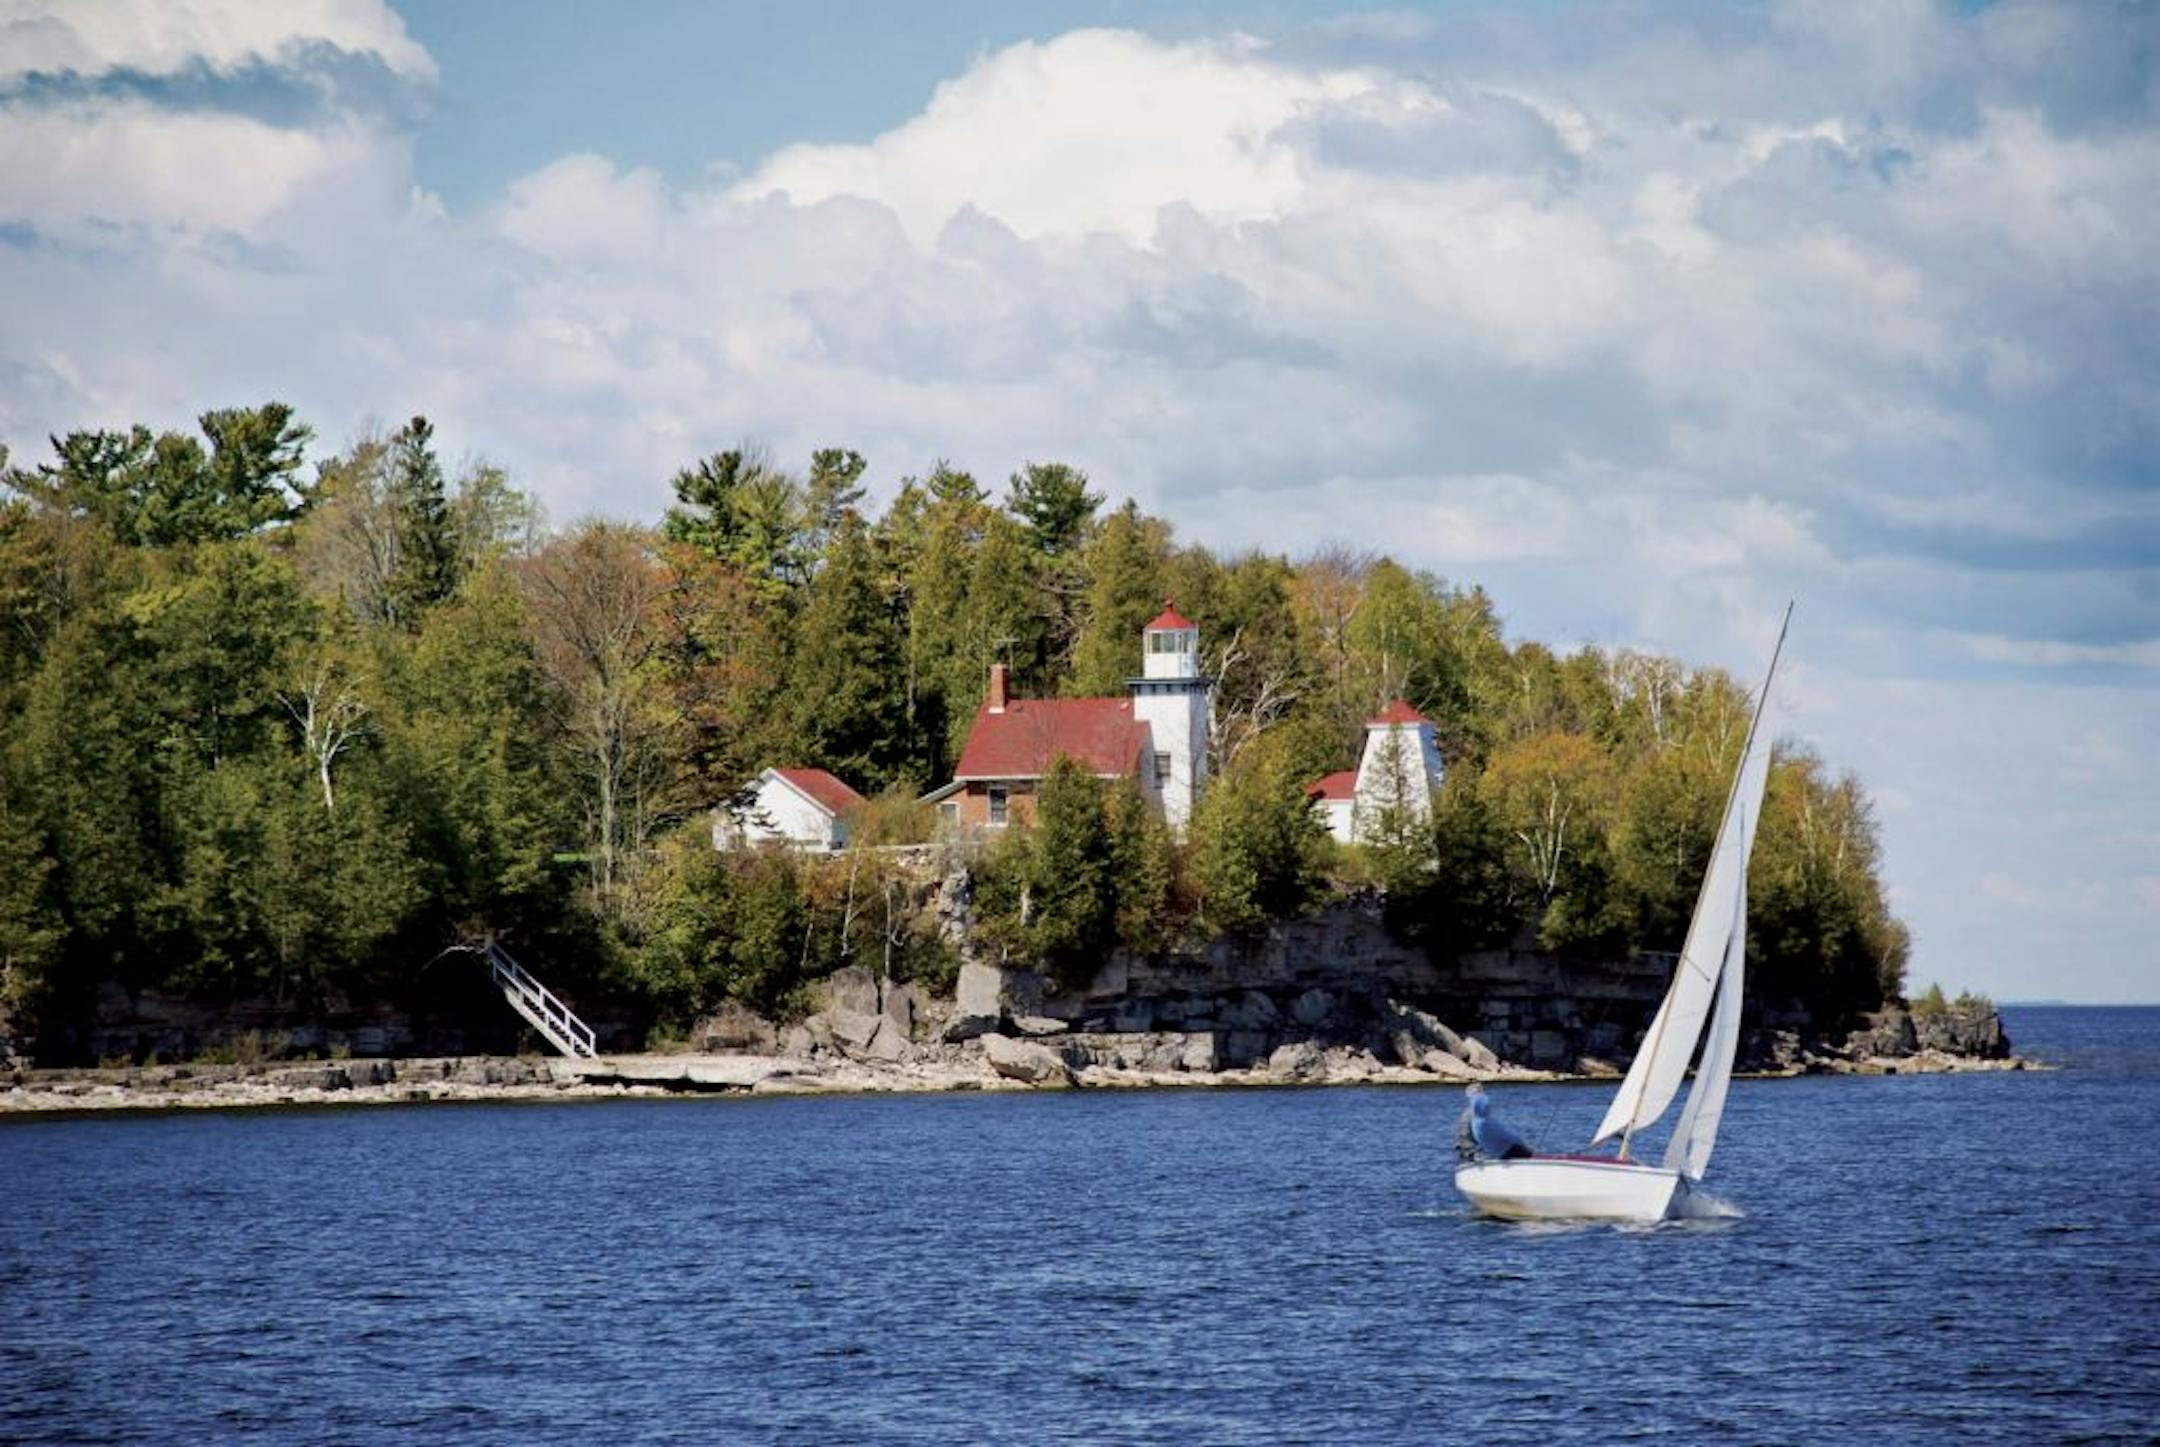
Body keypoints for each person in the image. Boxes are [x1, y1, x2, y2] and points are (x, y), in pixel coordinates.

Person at [1457, 1083, 1534, 1162]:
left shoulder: (1477, 1119)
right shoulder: (1480, 1120)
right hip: (1476, 1151)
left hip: (1488, 1151)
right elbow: (1506, 1135)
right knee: (1525, 1151)